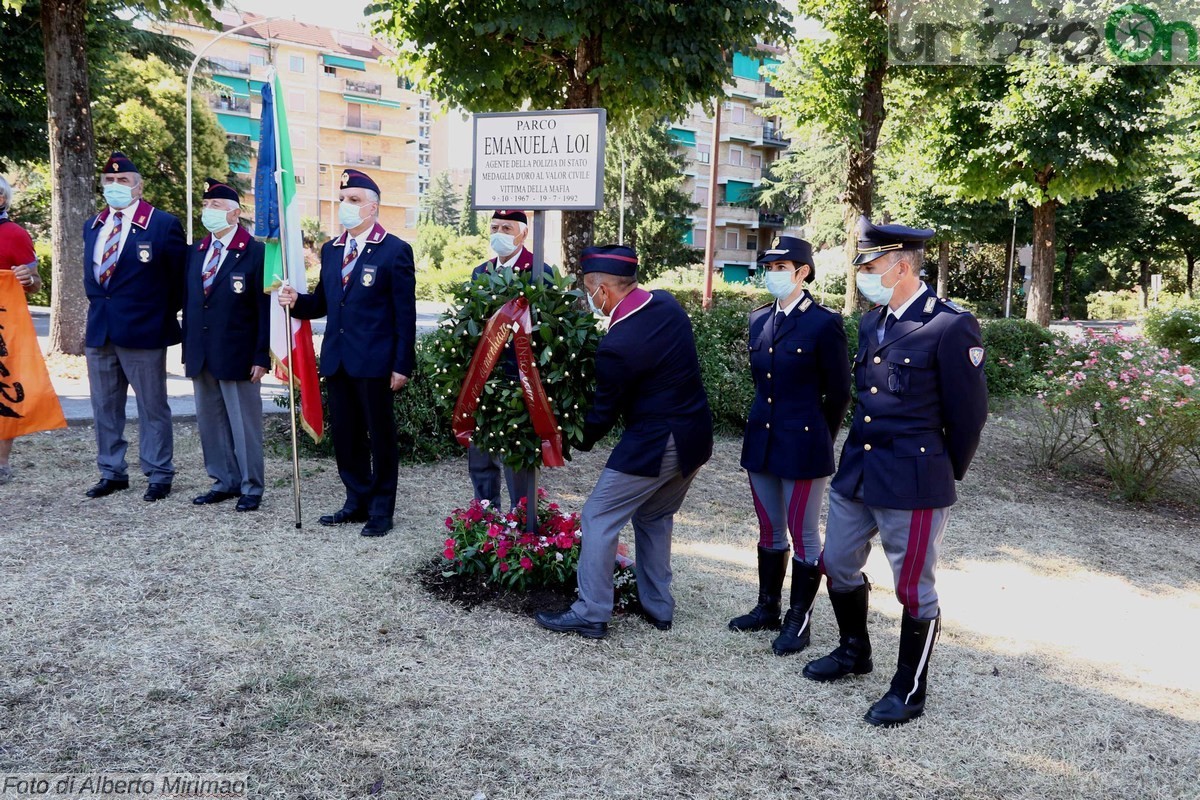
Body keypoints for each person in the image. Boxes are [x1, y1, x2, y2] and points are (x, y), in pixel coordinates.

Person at [802, 216, 988, 727]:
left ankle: (908, 689)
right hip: (859, 469)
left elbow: (968, 414)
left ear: (902, 265)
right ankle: (853, 650)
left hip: (914, 478)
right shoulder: (872, 322)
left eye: (871, 265)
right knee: (836, 562)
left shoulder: (949, 324)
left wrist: (942, 475)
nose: (863, 275)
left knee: (913, 589)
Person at [535, 245, 713, 639]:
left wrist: (570, 441)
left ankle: (591, 611)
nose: (588, 298)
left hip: (656, 443)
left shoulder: (618, 344)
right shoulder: (666, 305)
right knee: (653, 516)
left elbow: (602, 413)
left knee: (598, 517)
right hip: (695, 437)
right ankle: (658, 607)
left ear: (602, 289)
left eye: (587, 290)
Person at [729, 236, 851, 657]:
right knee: (769, 529)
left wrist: (821, 438)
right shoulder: (759, 320)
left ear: (803, 272)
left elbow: (838, 394)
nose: (773, 274)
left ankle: (799, 620)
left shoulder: (823, 323)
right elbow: (762, 383)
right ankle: (768, 607)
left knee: (804, 535)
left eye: (782, 267)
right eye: (770, 266)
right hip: (762, 439)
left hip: (804, 443)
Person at [278, 169, 416, 537]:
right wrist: (297, 302)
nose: (345, 206)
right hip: (338, 360)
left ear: (373, 207)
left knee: (380, 437)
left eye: (354, 200)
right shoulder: (332, 249)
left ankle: (381, 509)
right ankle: (356, 500)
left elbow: (405, 315)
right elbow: (324, 302)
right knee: (347, 436)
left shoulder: (395, 251)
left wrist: (402, 364)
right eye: (342, 199)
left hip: (375, 363)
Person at [82, 151, 187, 501]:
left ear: (138, 187)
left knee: (152, 406)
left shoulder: (162, 224)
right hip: (101, 329)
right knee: (104, 406)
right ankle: (112, 472)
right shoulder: (93, 225)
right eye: (109, 181)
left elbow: (178, 282)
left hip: (144, 331)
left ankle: (159, 473)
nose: (115, 186)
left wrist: (158, 315)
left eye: (123, 181)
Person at [182, 179, 270, 512]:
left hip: (240, 353)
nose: (208, 211)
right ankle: (224, 480)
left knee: (243, 425)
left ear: (234, 214)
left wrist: (261, 354)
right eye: (206, 205)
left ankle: (251, 485)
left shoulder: (256, 252)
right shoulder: (197, 251)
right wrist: (188, 350)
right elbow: (191, 303)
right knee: (211, 422)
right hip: (202, 352)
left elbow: (264, 310)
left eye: (216, 206)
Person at [466, 209, 554, 511]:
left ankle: (521, 516)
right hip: (483, 378)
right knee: (480, 453)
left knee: (517, 456)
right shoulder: (481, 272)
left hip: (521, 380)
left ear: (523, 233)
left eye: (506, 228)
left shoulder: (540, 271)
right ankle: (486, 516)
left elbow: (548, 329)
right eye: (494, 227)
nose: (498, 233)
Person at [0, 176, 43, 485]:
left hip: (3, 328)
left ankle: (1, 462)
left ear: (2, 200)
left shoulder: (15, 234)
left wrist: (28, 278)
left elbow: (35, 282)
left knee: (3, 394)